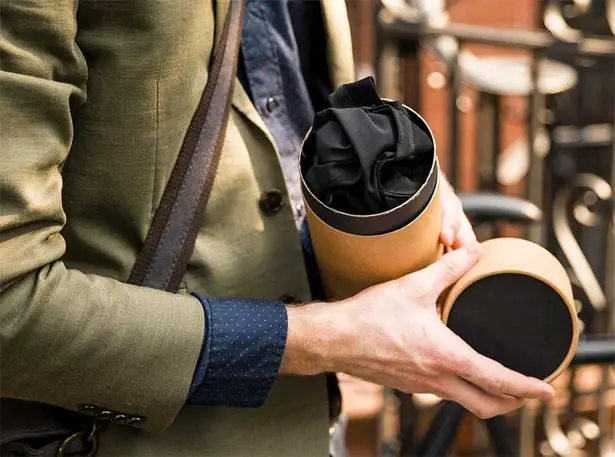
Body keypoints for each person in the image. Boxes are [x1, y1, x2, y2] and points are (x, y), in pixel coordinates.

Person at [0, 0, 554, 456]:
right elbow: (9, 305)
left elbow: (293, 114)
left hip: (315, 429)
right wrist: (327, 340)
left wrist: (409, 196)